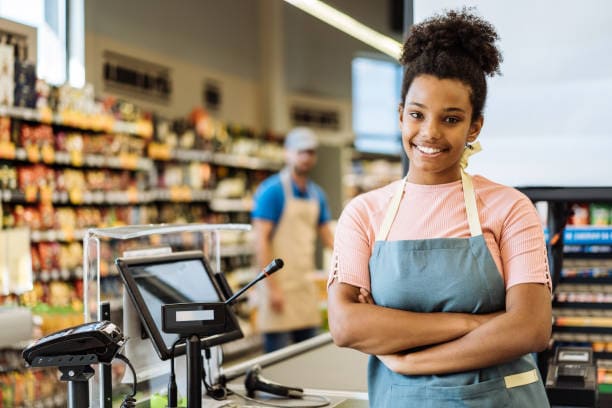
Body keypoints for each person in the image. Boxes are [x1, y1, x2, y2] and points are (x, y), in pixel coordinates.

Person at [327, 9, 552, 407]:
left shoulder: (510, 207)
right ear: (400, 116)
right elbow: (346, 326)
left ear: (474, 127)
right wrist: (476, 323)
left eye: (451, 119)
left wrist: (413, 360)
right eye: (417, 115)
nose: (430, 132)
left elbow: (531, 329)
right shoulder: (364, 214)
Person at [252, 127, 334, 353]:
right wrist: (272, 287)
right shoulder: (272, 192)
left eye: (310, 152)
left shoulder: (317, 195)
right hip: (277, 287)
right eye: (301, 152)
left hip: (303, 287)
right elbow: (260, 241)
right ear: (287, 153)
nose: (306, 157)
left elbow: (329, 239)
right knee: (276, 363)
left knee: (307, 358)